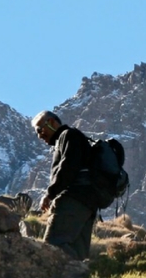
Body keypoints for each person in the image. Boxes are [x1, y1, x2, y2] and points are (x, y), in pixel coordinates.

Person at [32, 110, 98, 261]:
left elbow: (68, 167)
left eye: (40, 129)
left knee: (52, 246)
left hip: (72, 200)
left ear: (53, 122)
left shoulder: (68, 135)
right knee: (79, 255)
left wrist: (50, 193)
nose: (39, 135)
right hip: (88, 205)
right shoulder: (74, 138)